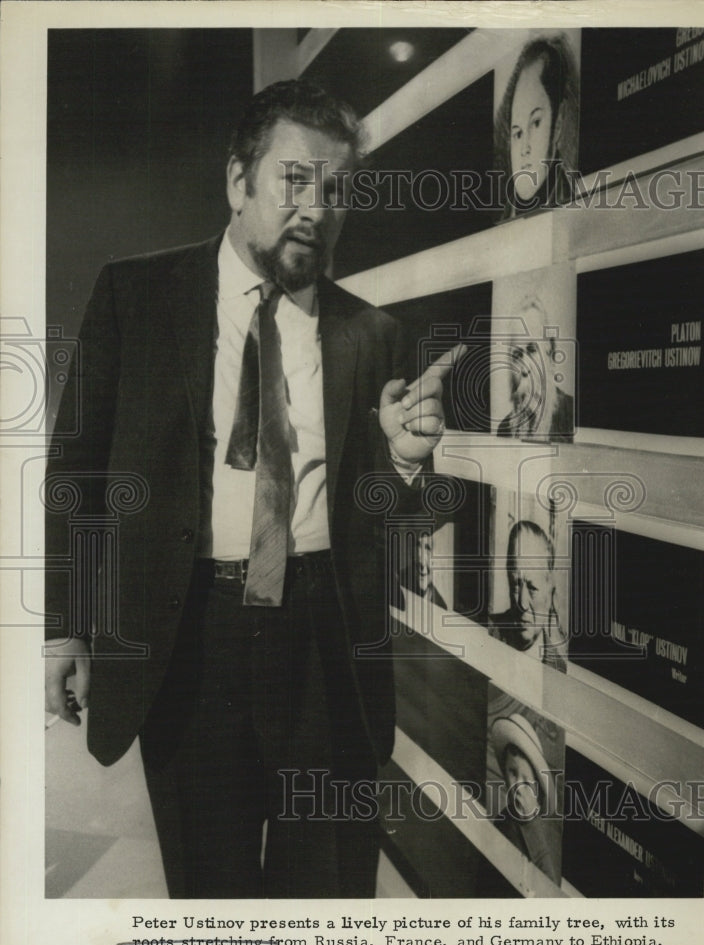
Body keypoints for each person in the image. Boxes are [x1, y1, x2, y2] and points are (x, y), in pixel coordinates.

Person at [44, 79, 461, 899]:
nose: (316, 207)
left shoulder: (373, 335)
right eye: (294, 180)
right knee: (213, 900)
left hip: (326, 643)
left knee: (329, 898)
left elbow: (391, 523)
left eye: (336, 189)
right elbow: (76, 474)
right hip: (187, 637)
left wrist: (408, 462)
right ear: (239, 182)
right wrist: (67, 630)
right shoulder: (135, 296)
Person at [494, 33, 580, 218]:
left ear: (557, 124)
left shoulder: (573, 208)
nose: (525, 148)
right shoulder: (503, 215)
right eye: (517, 133)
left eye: (536, 123)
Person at [489, 712, 562, 885]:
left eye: (526, 779)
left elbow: (549, 887)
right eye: (512, 773)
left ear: (537, 786)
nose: (517, 785)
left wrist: (530, 824)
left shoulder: (548, 830)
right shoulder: (503, 820)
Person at [489, 519, 567, 669]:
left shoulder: (559, 669)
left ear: (549, 590)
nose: (522, 604)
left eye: (532, 588)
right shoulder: (484, 634)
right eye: (516, 585)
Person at [495, 295, 574, 440]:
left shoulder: (572, 415)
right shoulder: (504, 430)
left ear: (550, 355)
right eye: (517, 355)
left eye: (532, 350)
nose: (525, 368)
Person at [399, 529, 447, 608]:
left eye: (428, 548)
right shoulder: (396, 584)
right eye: (417, 545)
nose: (420, 556)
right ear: (410, 551)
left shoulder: (441, 606)